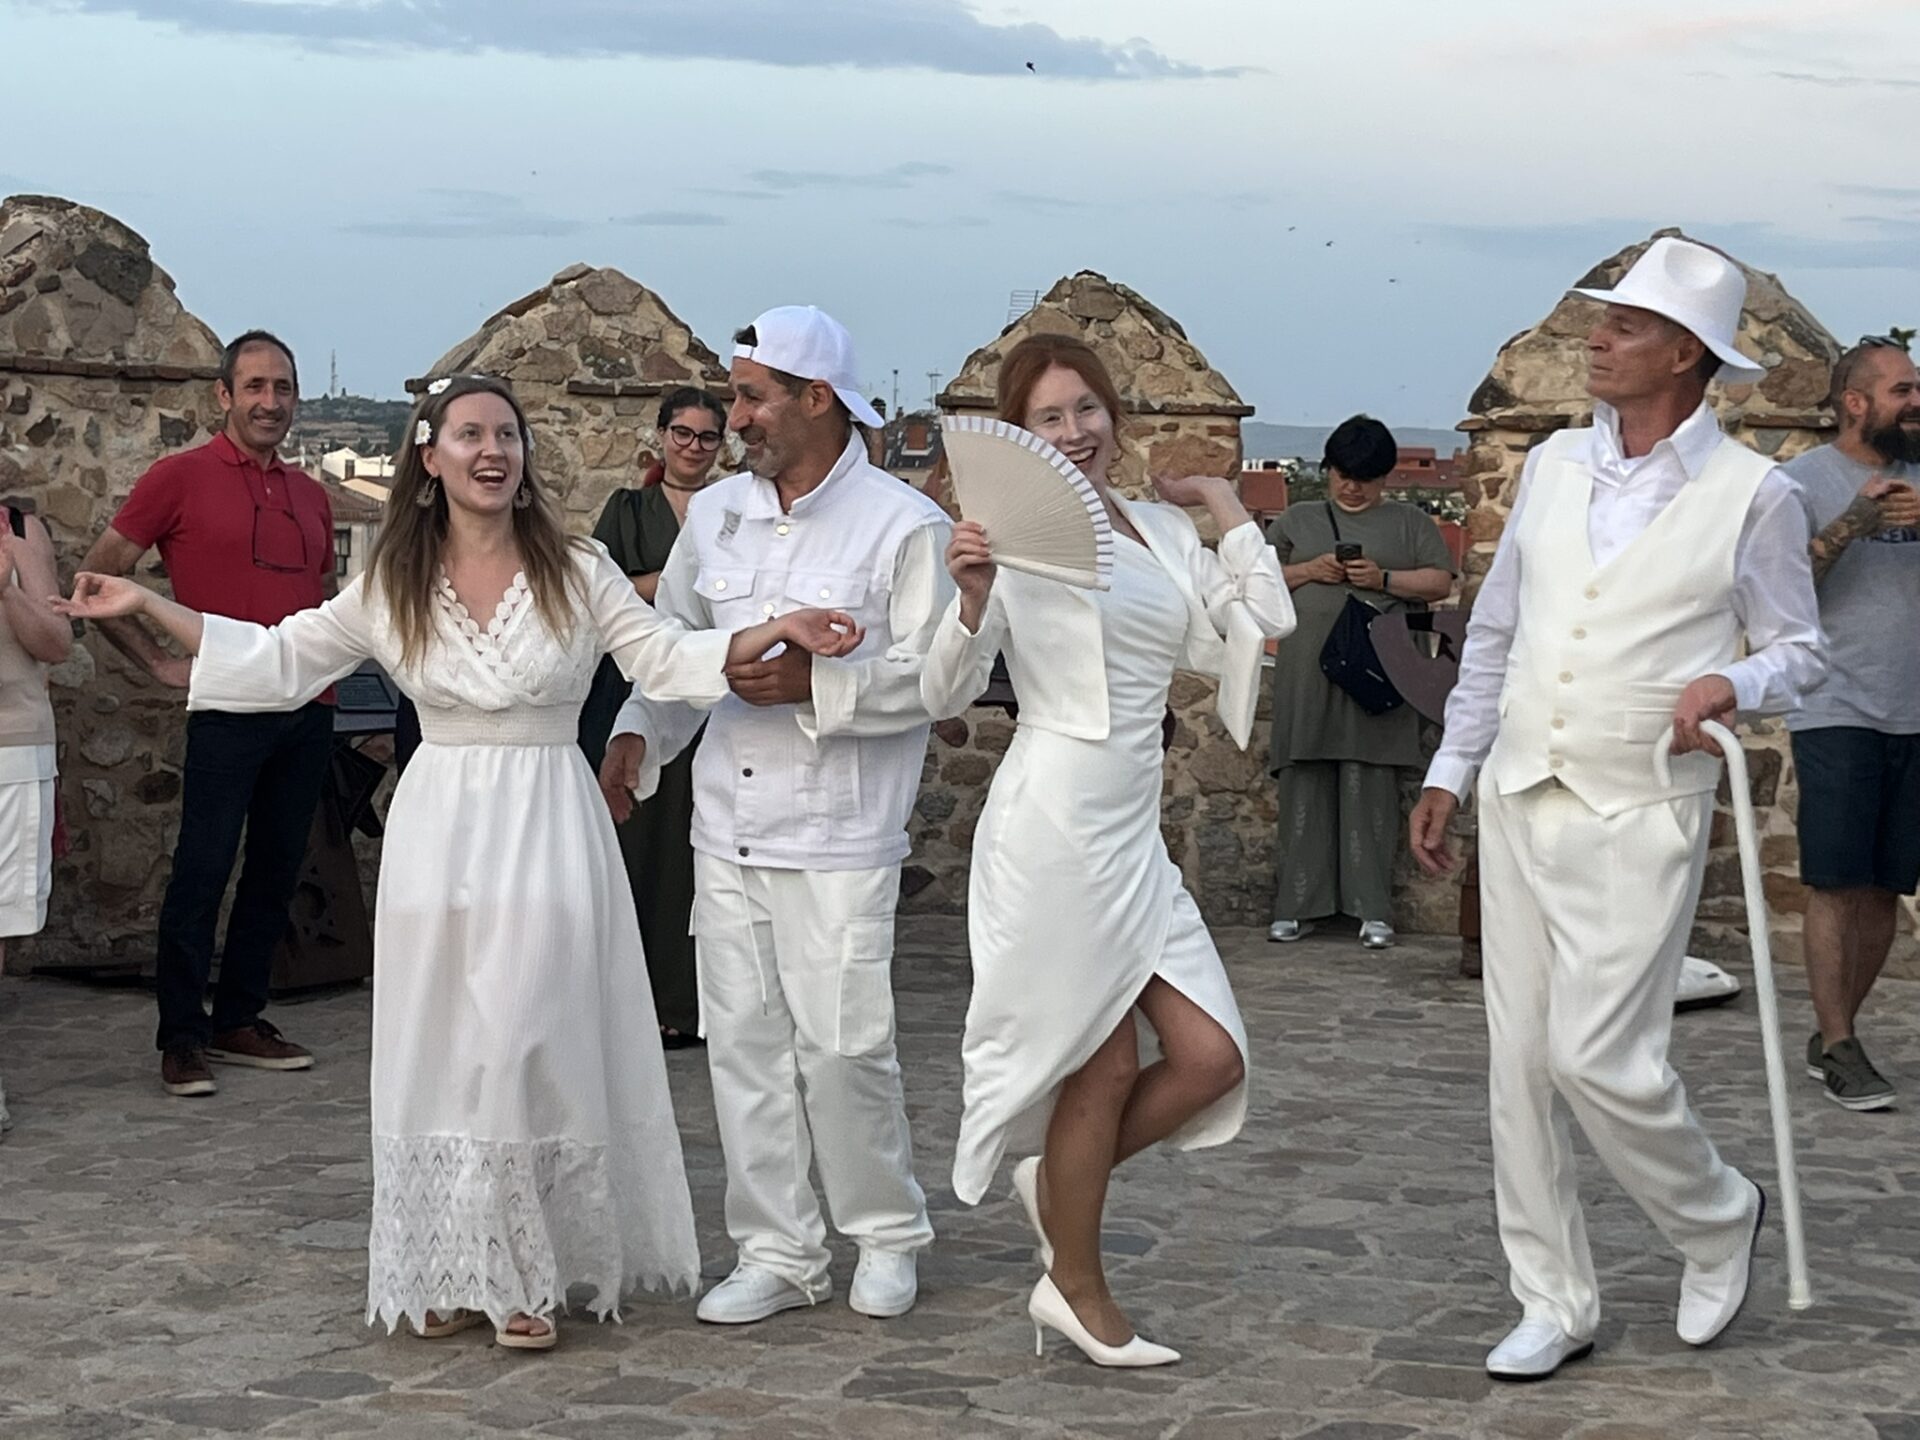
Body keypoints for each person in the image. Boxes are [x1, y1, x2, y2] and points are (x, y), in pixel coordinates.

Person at [56, 374, 864, 1351]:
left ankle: (525, 1269)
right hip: (439, 830)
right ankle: (447, 1260)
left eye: (508, 435)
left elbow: (662, 655)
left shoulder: (577, 566)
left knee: (528, 1039)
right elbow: (277, 659)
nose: (493, 450)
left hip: (549, 821)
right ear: (430, 456)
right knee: (444, 1047)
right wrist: (147, 602)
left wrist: (771, 628)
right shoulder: (395, 578)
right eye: (471, 434)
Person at [1408, 238, 1825, 1380]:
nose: (1597, 337)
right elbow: (1494, 633)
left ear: (1685, 354)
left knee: (1602, 1056)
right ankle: (1553, 1297)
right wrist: (1451, 769)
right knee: (1520, 1066)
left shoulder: (1757, 494)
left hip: (1641, 801)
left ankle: (1714, 1212)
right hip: (1521, 790)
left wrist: (1732, 683)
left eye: (1626, 324)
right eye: (1605, 319)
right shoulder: (1548, 468)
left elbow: (1799, 649)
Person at [920, 333, 1296, 1367]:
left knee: (1211, 1057)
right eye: (1049, 417)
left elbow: (1263, 623)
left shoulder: (1168, 533)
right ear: (1019, 435)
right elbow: (941, 693)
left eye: (1086, 408)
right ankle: (1077, 1292)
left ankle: (1058, 1186)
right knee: (1102, 1062)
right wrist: (968, 599)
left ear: (1112, 414)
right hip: (1052, 821)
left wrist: (1223, 509)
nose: (1074, 432)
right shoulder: (1001, 537)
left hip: (1134, 827)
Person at [599, 306, 950, 1326]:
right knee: (742, 1045)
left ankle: (884, 1233)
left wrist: (817, 689)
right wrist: (636, 736)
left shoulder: (901, 524)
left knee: (844, 1049)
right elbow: (676, 651)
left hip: (840, 833)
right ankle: (779, 1250)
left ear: (817, 399)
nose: (734, 414)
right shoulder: (715, 518)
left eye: (752, 396)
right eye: (733, 392)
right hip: (727, 827)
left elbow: (936, 676)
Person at [76, 331, 334, 1097]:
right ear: (223, 395)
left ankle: (240, 1017)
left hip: (306, 708)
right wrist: (156, 663)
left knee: (276, 871)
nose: (270, 402)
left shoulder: (312, 494)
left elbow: (318, 600)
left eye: (282, 388)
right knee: (202, 870)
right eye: (254, 386)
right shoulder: (177, 478)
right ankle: (182, 1035)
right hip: (225, 707)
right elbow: (96, 578)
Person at [1786, 337, 1920, 1111]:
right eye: (1902, 390)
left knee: (1884, 888)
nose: (1916, 402)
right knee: (1836, 880)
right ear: (1857, 402)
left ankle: (1840, 1030)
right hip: (1835, 702)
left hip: (1913, 710)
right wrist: (1848, 528)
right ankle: (1838, 1044)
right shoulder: (1801, 482)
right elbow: (1781, 584)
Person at [1264, 416, 1456, 948]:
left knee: (1369, 784)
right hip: (1308, 673)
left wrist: (1385, 580)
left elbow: (1440, 580)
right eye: (1343, 475)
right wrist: (1308, 572)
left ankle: (1373, 911)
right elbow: (1252, 577)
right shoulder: (1298, 519)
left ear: (1384, 479)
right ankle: (1297, 906)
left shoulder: (1410, 523)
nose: (1351, 487)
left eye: (1364, 479)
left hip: (1381, 672)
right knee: (1305, 778)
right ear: (1328, 470)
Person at [578, 386, 730, 1048]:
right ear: (661, 435)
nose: (693, 447)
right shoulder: (630, 508)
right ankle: (630, 1000)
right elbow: (604, 589)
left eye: (707, 437)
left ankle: (687, 1001)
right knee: (637, 842)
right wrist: (674, 579)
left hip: (712, 686)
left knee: (691, 849)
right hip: (636, 684)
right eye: (683, 433)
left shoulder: (733, 513)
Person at [0, 500, 73, 1141]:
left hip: (11, 747)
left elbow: (56, 644)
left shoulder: (20, 530)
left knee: (1, 925)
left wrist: (7, 594)